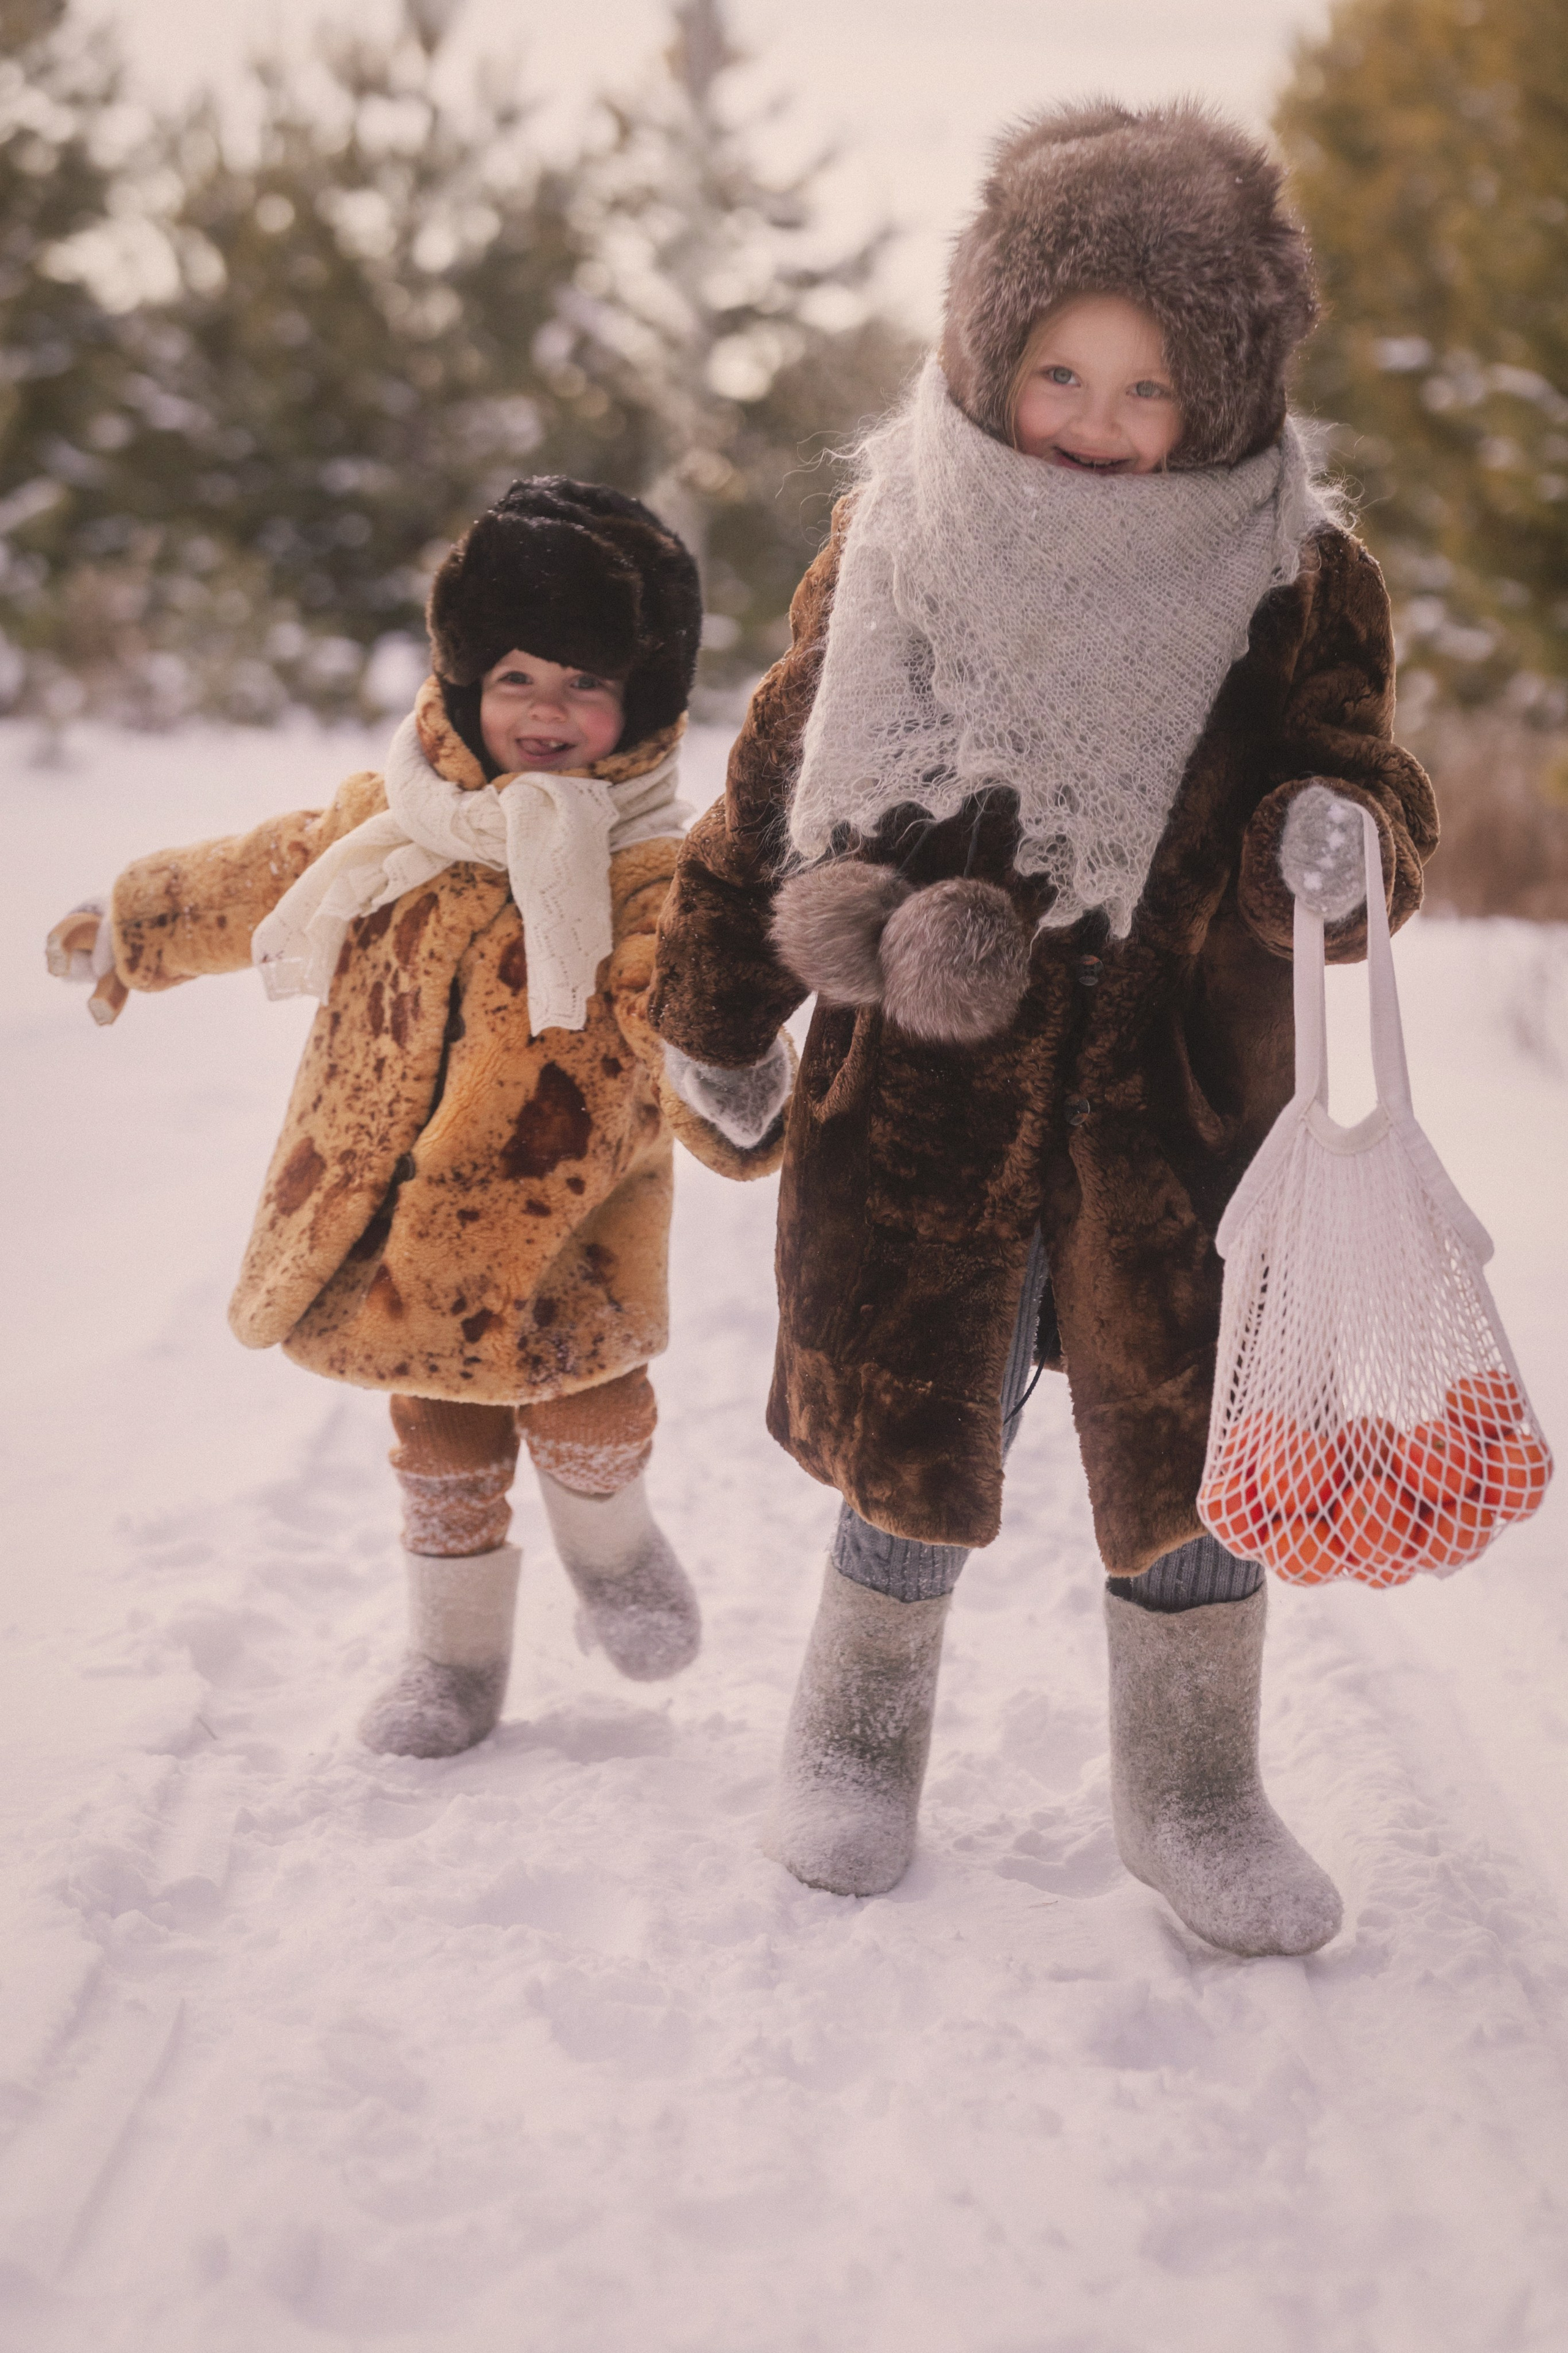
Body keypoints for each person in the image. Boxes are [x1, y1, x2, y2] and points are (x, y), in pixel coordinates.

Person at [647, 103, 1436, 1955]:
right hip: (929, 1082)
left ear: (1224, 392)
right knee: (923, 1409)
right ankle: (853, 1739)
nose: (1093, 417)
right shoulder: (898, 530)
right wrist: (721, 1005)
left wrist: (1334, 845)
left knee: (1190, 1438)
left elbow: (1358, 771)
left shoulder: (1299, 571)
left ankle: (1193, 1788)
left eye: (1149, 387)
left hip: (1185, 1098)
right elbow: (775, 779)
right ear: (988, 345)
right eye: (1058, 369)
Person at [46, 478, 790, 1760]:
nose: (546, 711)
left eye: (585, 684)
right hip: (394, 1227)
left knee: (590, 1415)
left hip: (567, 1231)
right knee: (439, 1447)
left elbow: (683, 994)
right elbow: (259, 874)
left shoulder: (651, 873)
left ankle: (613, 1550)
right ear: (461, 683)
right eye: (515, 677)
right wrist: (135, 921)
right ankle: (451, 1657)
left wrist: (725, 1069)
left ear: (642, 704)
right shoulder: (390, 825)